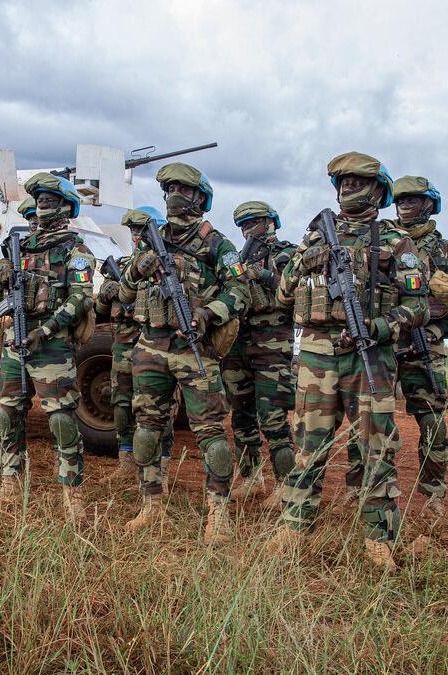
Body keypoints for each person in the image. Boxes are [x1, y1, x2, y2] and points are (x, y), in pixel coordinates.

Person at [269, 152, 428, 570]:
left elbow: (419, 306)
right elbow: (283, 297)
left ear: (378, 190)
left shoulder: (396, 242)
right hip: (317, 356)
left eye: (357, 181)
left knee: (377, 449)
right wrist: (304, 261)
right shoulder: (313, 239)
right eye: (341, 181)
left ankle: (378, 538)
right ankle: (293, 527)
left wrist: (380, 327)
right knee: (308, 445)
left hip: (370, 357)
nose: (347, 188)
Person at [118, 162, 249, 542]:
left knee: (211, 433)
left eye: (185, 189)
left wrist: (209, 312)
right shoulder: (148, 240)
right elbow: (124, 296)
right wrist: (135, 271)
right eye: (171, 187)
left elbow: (240, 291)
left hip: (195, 350)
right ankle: (151, 504)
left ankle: (218, 515)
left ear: (200, 198)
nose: (176, 194)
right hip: (150, 346)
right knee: (146, 428)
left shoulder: (216, 244)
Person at [0, 173, 96, 522]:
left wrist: (44, 331)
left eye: (48, 199)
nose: (42, 204)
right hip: (16, 339)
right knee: (8, 411)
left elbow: (80, 300)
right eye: (38, 199)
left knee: (60, 417)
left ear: (64, 206)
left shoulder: (75, 251)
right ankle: (10, 483)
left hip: (51, 343)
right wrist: (1, 274)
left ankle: (72, 493)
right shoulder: (20, 246)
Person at [387, 176, 448, 514]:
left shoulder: (446, 250)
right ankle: (369, 486)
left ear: (430, 204)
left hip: (425, 345)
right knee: (373, 419)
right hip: (385, 342)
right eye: (401, 199)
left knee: (432, 420)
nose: (405, 204)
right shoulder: (384, 240)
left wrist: (435, 333)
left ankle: (434, 493)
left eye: (413, 199)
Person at [221, 201, 298, 503]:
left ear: (271, 222)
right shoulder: (238, 258)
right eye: (243, 224)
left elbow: (295, 291)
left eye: (253, 222)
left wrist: (261, 275)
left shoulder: (287, 253)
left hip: (272, 344)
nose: (247, 229)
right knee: (241, 414)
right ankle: (251, 477)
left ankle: (287, 486)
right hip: (239, 341)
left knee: (273, 417)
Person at [98, 207, 176, 488]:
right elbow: (99, 307)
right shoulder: (121, 264)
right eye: (132, 230)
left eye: (140, 230)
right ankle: (126, 461)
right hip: (123, 345)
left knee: (158, 410)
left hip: (155, 345)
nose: (135, 235)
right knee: (120, 404)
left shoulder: (165, 264)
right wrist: (106, 295)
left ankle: (162, 469)